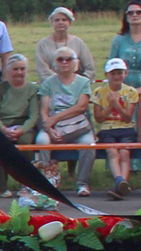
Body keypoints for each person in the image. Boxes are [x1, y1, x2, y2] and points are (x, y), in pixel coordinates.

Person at [36, 47, 96, 195]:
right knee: (42, 140)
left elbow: (81, 107)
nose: (64, 62)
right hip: (53, 126)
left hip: (77, 126)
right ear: (54, 64)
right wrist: (50, 129)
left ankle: (83, 184)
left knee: (89, 144)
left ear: (75, 62)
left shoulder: (83, 82)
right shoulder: (47, 83)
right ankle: (46, 183)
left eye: (68, 59)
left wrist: (55, 118)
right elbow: (44, 110)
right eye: (60, 59)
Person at [0, 55, 42, 196]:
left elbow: (33, 116)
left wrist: (21, 130)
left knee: (25, 144)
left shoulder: (32, 89)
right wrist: (3, 129)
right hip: (3, 126)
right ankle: (2, 187)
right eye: (16, 69)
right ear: (8, 70)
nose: (19, 72)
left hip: (24, 127)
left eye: (22, 69)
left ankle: (27, 184)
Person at [93, 58, 140, 200]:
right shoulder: (99, 92)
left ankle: (122, 183)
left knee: (124, 153)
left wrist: (117, 104)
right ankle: (120, 181)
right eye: (113, 73)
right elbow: (99, 118)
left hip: (126, 128)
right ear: (106, 75)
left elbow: (127, 117)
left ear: (125, 74)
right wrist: (110, 106)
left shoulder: (131, 92)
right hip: (107, 129)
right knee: (113, 152)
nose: (116, 76)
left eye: (119, 73)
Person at [108, 0, 141, 87]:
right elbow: (112, 65)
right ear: (126, 17)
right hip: (122, 86)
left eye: (138, 12)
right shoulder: (118, 40)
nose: (134, 15)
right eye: (130, 13)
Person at [34, 7, 96, 78]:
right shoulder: (42, 44)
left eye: (64, 20)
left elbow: (90, 69)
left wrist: (79, 81)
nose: (61, 22)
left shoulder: (78, 43)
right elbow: (42, 70)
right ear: (52, 23)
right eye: (57, 20)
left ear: (70, 23)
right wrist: (60, 81)